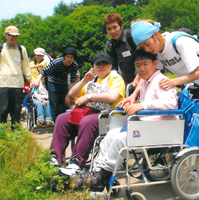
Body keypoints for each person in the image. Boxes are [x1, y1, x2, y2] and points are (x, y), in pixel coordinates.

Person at [70, 49, 178, 191]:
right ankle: (97, 172)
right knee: (111, 135)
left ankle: (102, 176)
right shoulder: (146, 82)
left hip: (160, 128)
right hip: (147, 125)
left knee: (120, 139)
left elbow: (170, 103)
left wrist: (142, 105)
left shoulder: (162, 80)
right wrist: (132, 104)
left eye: (145, 64)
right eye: (138, 65)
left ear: (155, 63)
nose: (141, 69)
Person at [126, 20, 199, 152]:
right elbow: (148, 74)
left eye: (147, 44)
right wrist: (133, 95)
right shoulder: (156, 50)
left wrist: (174, 82)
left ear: (156, 34)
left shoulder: (180, 42)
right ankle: (186, 155)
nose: (147, 50)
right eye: (143, 47)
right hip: (188, 82)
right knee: (187, 120)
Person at [49, 52, 125, 175]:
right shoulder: (92, 80)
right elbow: (72, 94)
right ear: (93, 66)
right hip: (87, 112)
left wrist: (89, 97)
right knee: (62, 118)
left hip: (107, 116)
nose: (101, 67)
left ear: (110, 65)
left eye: (104, 64)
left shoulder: (115, 78)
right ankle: (56, 158)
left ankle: (76, 162)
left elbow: (113, 96)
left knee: (87, 121)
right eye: (98, 64)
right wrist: (84, 80)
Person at [0, 25, 32, 129]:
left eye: (14, 36)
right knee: (3, 110)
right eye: (9, 35)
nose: (11, 37)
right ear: (6, 35)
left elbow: (26, 66)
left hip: (18, 84)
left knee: (16, 111)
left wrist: (29, 80)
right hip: (3, 83)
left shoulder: (21, 49)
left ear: (17, 37)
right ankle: (1, 133)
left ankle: (16, 133)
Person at [32, 47, 79, 123]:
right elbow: (43, 72)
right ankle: (56, 124)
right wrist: (37, 81)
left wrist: (69, 94)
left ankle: (64, 123)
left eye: (71, 58)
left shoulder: (75, 65)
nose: (69, 59)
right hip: (52, 82)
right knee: (54, 105)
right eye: (67, 57)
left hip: (63, 83)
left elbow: (73, 80)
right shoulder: (56, 63)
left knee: (64, 104)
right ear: (64, 57)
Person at [104, 13, 141, 87]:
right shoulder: (110, 45)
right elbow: (113, 67)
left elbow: (142, 58)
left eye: (115, 27)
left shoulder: (131, 37)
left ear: (121, 25)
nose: (113, 31)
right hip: (126, 81)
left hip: (142, 76)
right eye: (109, 29)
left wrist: (137, 79)